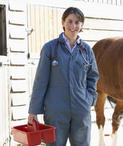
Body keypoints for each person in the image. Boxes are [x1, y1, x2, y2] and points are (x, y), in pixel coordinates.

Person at [28, 7, 99, 146]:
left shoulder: (87, 50)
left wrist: (88, 100)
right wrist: (33, 111)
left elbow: (93, 78)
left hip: (80, 110)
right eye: (70, 21)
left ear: (81, 25)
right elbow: (40, 81)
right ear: (62, 23)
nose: (73, 26)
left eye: (77, 22)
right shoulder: (50, 48)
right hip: (56, 110)